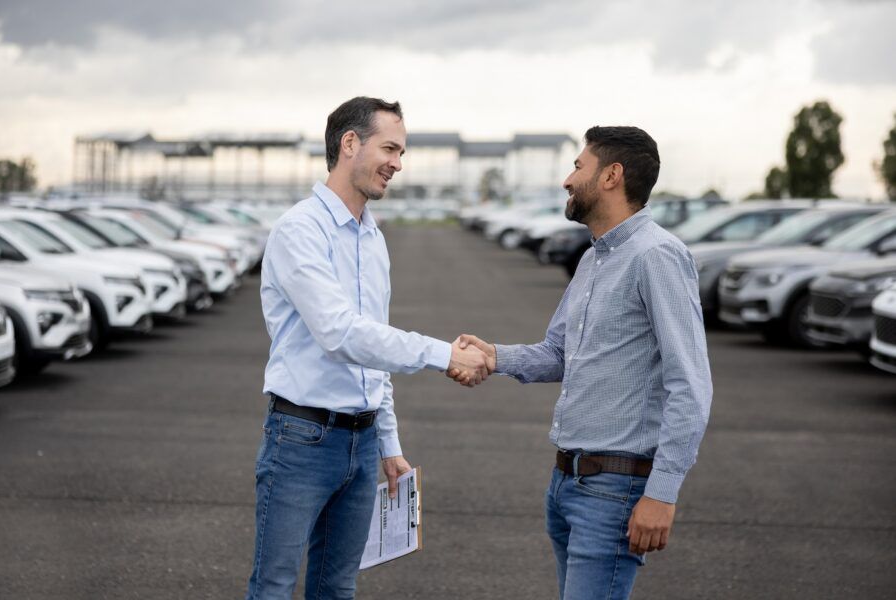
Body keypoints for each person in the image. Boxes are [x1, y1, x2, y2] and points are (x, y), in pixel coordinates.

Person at [450, 126, 712, 600]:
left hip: (614, 490)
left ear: (611, 176)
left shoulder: (658, 256)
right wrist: (495, 356)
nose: (567, 180)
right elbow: (559, 353)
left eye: (577, 167)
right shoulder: (594, 261)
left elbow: (689, 383)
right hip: (566, 483)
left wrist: (662, 492)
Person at [246, 96, 489, 600]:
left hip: (361, 446)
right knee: (273, 588)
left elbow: (373, 354)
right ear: (350, 143)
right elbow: (341, 334)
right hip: (300, 440)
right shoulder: (300, 230)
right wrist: (443, 355)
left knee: (337, 589)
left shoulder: (372, 239)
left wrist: (390, 444)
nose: (398, 164)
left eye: (402, 152)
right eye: (390, 148)